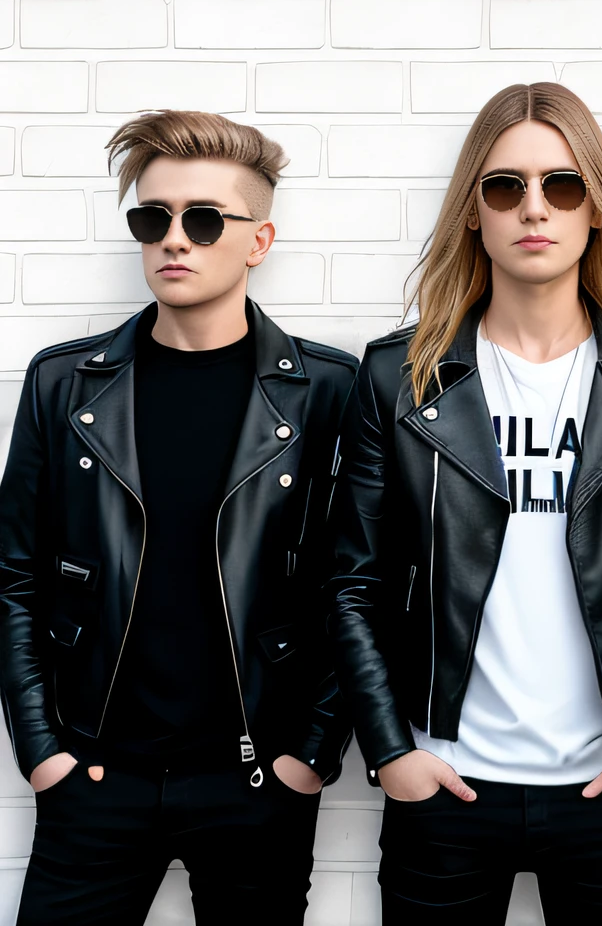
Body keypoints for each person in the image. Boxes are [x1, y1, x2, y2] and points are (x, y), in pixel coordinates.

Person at [328, 82, 602, 923]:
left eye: (563, 186)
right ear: (474, 211)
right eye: (505, 187)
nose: (533, 209)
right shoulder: (400, 380)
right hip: (446, 787)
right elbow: (353, 582)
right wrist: (392, 753)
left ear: (596, 211)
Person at [0, 111, 355, 922]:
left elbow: (352, 583)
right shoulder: (65, 385)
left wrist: (310, 752)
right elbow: (14, 573)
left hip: (257, 782)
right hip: (92, 778)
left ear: (258, 242)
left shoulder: (326, 392)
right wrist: (40, 750)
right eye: (151, 218)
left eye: (202, 220)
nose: (174, 240)